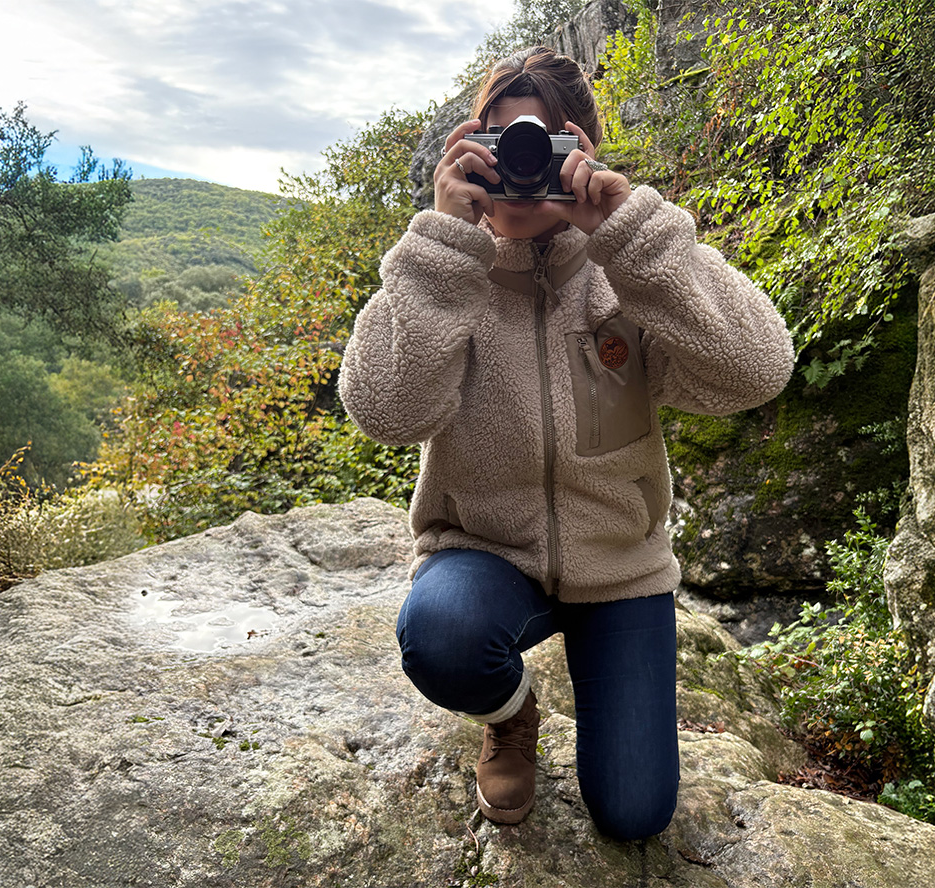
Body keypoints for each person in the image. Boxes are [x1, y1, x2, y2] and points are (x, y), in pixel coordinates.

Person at [338, 46, 794, 840]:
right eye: (500, 142)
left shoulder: (628, 275)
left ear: (580, 152)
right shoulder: (450, 278)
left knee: (633, 813)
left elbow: (759, 369)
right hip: (486, 556)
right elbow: (386, 411)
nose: (518, 167)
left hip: (620, 570)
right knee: (442, 634)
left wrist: (629, 231)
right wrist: (444, 244)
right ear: (470, 150)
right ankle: (510, 714)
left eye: (540, 145)